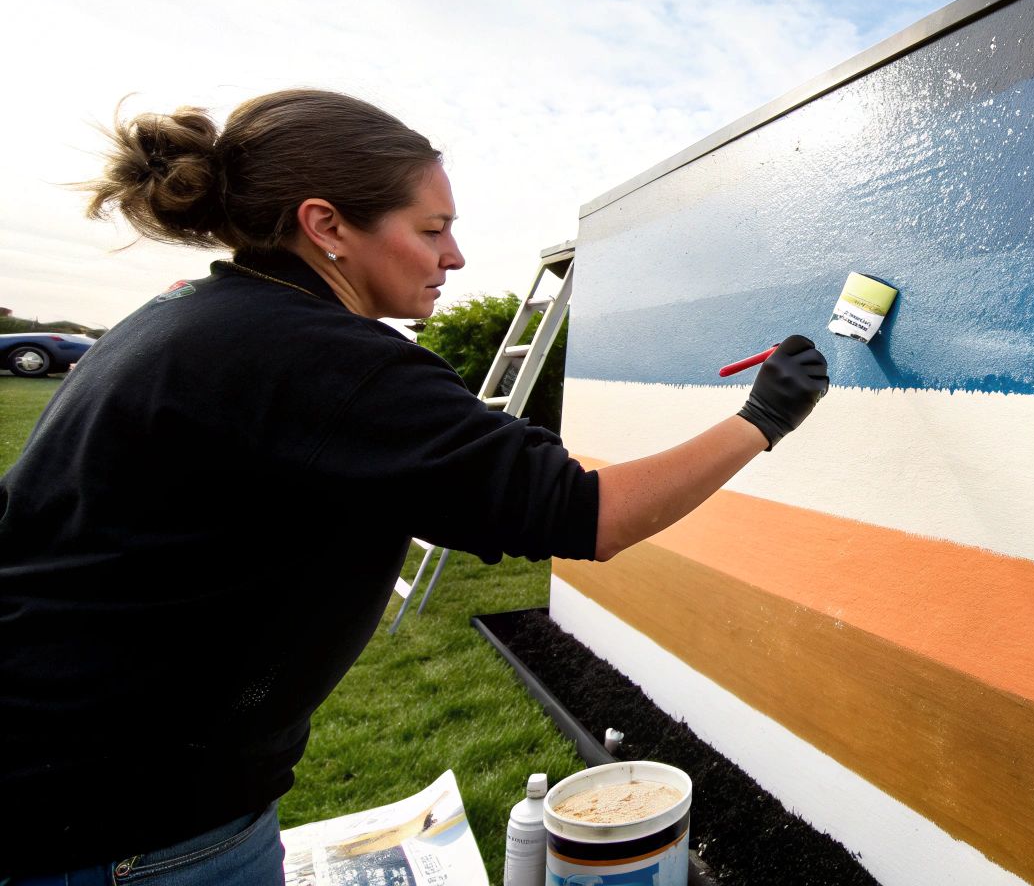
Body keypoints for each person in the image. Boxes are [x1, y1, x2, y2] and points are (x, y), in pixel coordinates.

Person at [0, 89, 828, 884]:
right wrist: (764, 415)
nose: (455, 255)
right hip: (120, 826)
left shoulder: (194, 320)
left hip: (57, 778)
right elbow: (588, 514)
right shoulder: (317, 359)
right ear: (325, 226)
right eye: (431, 228)